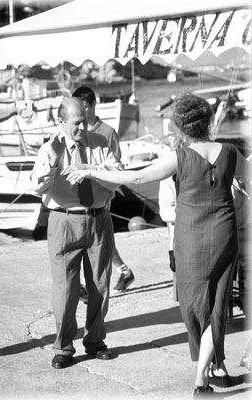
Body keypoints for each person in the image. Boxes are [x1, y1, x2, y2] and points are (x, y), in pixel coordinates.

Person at [66, 91, 251, 395]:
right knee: (215, 307)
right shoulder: (230, 152)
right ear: (207, 122)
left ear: (180, 128)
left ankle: (202, 377)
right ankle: (210, 371)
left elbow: (136, 178)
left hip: (190, 240)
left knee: (195, 309)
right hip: (225, 236)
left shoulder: (179, 158)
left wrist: (89, 170)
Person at [31, 97, 121, 369]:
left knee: (100, 287)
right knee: (66, 290)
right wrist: (55, 163)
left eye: (85, 119)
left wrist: (89, 170)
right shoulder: (50, 148)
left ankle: (95, 341)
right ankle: (64, 347)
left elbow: (117, 175)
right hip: (64, 221)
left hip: (98, 219)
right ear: (61, 122)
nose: (83, 126)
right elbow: (37, 187)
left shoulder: (100, 142)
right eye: (76, 122)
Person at [72, 86, 135, 293]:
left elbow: (116, 167)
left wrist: (94, 171)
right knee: (93, 237)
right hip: (77, 195)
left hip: (101, 194)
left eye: (83, 108)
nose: (79, 114)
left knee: (99, 237)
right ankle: (121, 272)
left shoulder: (107, 132)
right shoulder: (72, 129)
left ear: (92, 106)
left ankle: (98, 282)